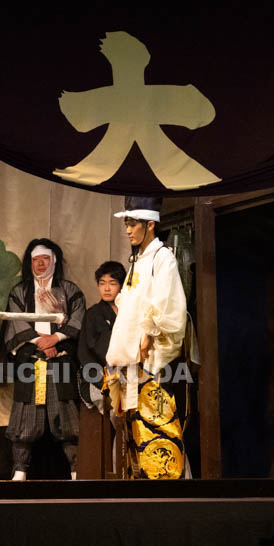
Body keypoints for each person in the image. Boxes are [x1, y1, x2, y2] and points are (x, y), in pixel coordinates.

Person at [106, 197, 188, 479]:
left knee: (157, 432)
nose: (128, 230)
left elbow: (169, 306)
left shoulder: (162, 258)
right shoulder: (138, 260)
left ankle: (165, 498)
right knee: (132, 435)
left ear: (150, 224)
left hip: (149, 361)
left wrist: (149, 336)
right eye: (126, 223)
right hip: (129, 362)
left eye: (132, 223)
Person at [0, 238, 85, 481]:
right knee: (25, 418)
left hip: (61, 361)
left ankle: (76, 470)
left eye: (45, 259)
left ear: (54, 260)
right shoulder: (20, 291)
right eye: (36, 260)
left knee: (68, 419)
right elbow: (15, 321)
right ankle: (20, 470)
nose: (40, 264)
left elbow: (77, 319)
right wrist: (40, 342)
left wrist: (55, 338)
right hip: (32, 360)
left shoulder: (70, 289)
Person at [75, 260, 126, 478]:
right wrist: (103, 379)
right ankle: (115, 470)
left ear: (121, 286)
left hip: (130, 373)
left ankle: (128, 470)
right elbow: (86, 353)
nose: (106, 288)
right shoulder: (94, 314)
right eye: (102, 283)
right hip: (103, 376)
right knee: (117, 418)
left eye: (112, 283)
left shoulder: (129, 312)